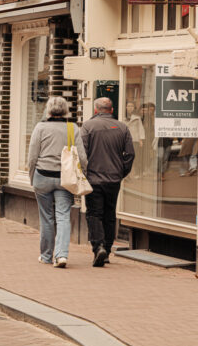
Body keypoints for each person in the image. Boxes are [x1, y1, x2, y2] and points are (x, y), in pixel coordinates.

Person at [28, 96, 87, 268]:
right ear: (66, 110)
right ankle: (61, 256)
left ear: (48, 110)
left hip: (42, 176)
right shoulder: (72, 128)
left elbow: (32, 157)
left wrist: (32, 177)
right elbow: (82, 157)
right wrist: (83, 174)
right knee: (63, 216)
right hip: (65, 178)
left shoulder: (40, 128)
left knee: (46, 218)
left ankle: (46, 256)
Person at [79, 98, 134, 267]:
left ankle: (98, 246)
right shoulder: (123, 127)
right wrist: (121, 172)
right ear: (111, 110)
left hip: (94, 179)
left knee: (94, 213)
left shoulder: (88, 127)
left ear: (96, 110)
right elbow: (130, 154)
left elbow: (82, 154)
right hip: (113, 179)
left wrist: (84, 173)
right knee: (110, 213)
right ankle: (108, 250)